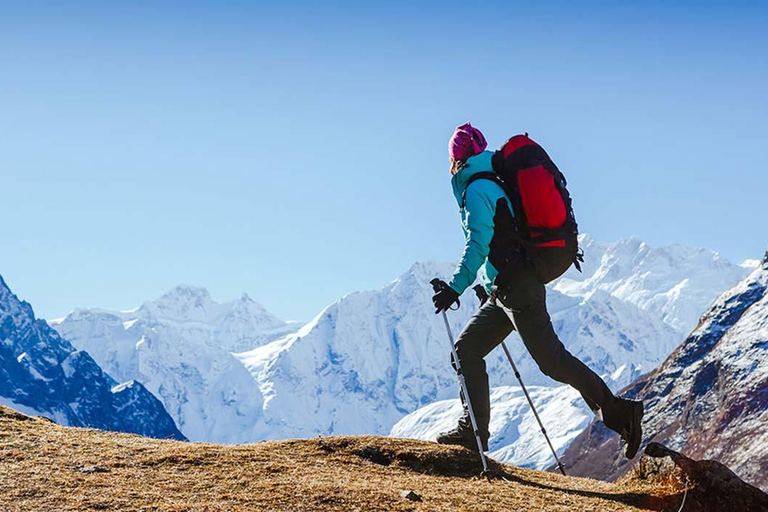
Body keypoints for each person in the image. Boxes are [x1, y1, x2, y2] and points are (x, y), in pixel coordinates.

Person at [432, 122, 644, 458]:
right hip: (504, 292)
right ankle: (474, 432)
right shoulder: (493, 182)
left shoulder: (476, 189)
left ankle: (621, 413)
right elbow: (504, 240)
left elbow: (479, 242)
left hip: (518, 291)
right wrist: (487, 285)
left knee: (553, 362)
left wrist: (456, 287)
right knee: (465, 350)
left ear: (455, 162)